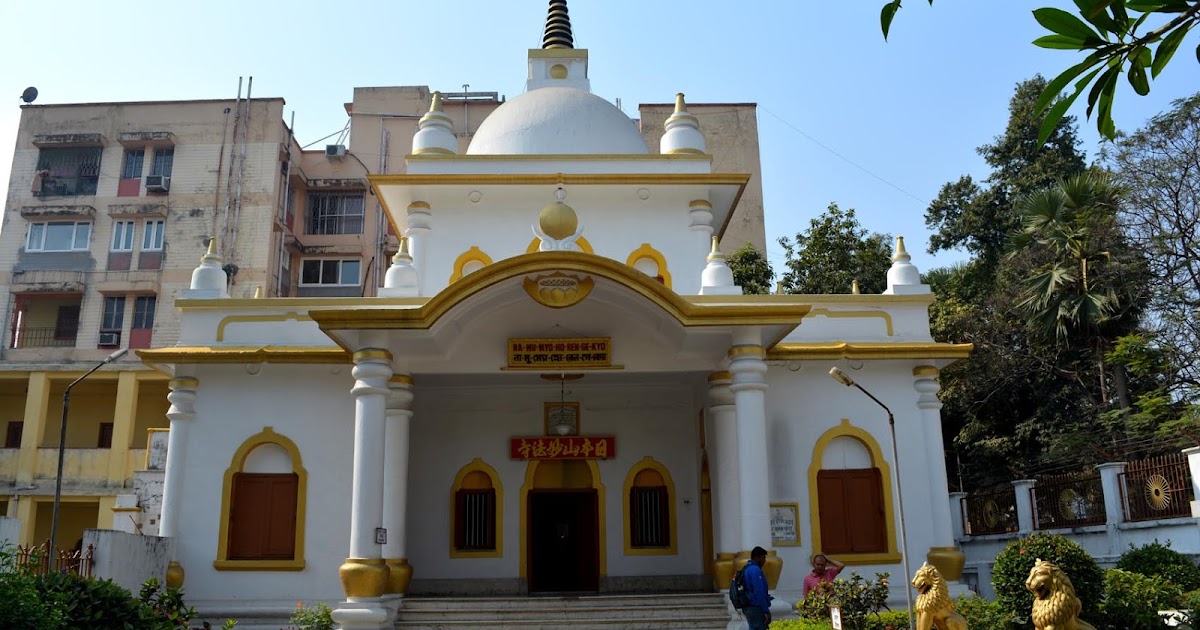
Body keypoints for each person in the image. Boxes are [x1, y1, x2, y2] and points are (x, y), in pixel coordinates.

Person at [743, 546, 773, 630]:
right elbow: (759, 591)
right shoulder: (755, 570)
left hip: (748, 606)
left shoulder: (746, 568)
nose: (764, 561)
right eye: (763, 558)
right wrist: (765, 610)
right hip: (756, 607)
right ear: (757, 557)